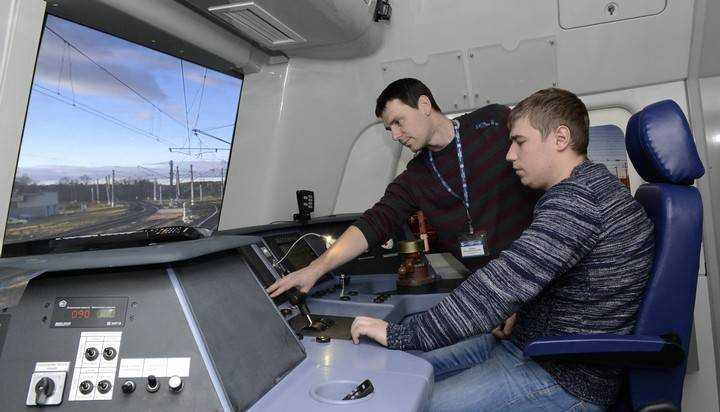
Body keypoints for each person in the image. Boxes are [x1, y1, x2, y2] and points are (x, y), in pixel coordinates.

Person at [349, 88, 655, 411]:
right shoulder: (584, 187)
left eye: (519, 142)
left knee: (413, 405)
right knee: (403, 370)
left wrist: (400, 334)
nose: (509, 154)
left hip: (564, 374)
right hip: (530, 344)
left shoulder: (580, 202)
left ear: (560, 138)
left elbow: (499, 286)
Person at [267, 78, 539, 299]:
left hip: (537, 268)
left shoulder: (493, 121)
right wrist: (315, 268)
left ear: (424, 104)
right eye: (389, 129)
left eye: (398, 121)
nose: (396, 135)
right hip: (492, 290)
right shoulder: (416, 177)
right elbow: (375, 222)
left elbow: (548, 159)